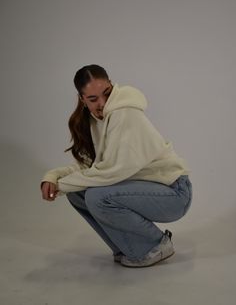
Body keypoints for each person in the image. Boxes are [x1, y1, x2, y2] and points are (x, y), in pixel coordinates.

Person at [40, 64, 192, 268]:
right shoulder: (93, 122)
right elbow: (88, 168)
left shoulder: (124, 112)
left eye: (107, 93)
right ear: (82, 99)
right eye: (93, 99)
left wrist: (62, 185)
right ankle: (128, 247)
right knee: (78, 193)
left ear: (112, 86)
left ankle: (155, 245)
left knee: (97, 196)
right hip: (147, 190)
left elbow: (113, 172)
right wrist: (53, 177)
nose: (102, 103)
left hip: (174, 192)